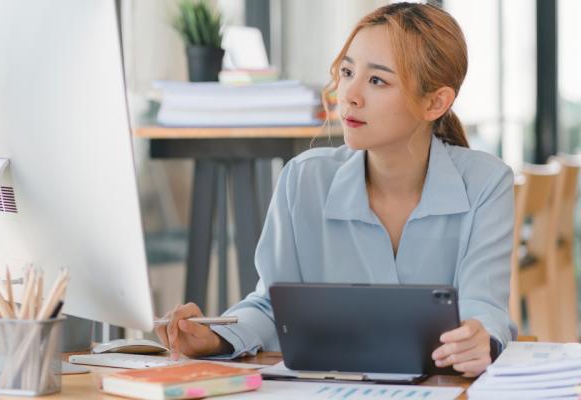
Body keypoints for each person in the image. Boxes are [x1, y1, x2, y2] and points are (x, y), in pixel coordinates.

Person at [155, 2, 514, 377]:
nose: (349, 95)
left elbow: (483, 309)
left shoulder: (486, 183)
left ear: (435, 102)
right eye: (346, 72)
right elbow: (271, 306)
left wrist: (480, 340)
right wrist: (213, 337)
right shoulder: (302, 180)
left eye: (377, 80)